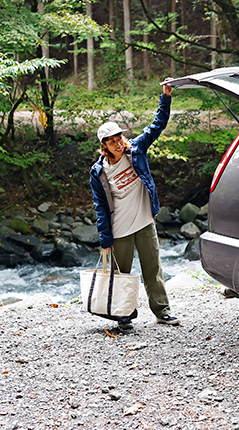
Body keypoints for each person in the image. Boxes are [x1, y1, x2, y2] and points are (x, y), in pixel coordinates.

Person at [89, 80, 179, 330]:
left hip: (144, 222)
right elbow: (100, 205)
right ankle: (123, 315)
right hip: (120, 230)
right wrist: (104, 237)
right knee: (122, 276)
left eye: (119, 138)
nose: (119, 143)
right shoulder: (99, 172)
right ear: (104, 146)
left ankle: (162, 311)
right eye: (112, 141)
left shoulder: (136, 150)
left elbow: (157, 125)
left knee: (153, 270)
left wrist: (166, 96)